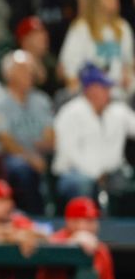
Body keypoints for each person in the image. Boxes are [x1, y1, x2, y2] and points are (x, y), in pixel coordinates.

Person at [52, 63, 135, 202]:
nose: (109, 92)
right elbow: (70, 152)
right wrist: (96, 173)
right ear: (91, 90)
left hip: (110, 173)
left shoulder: (118, 111)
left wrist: (103, 174)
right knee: (82, 183)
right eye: (104, 88)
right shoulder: (70, 113)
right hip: (74, 173)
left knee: (124, 182)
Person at [0, 50, 54, 214]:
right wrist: (29, 157)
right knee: (21, 169)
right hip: (11, 157)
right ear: (9, 74)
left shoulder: (41, 100)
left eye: (31, 70)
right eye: (23, 70)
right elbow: (5, 141)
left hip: (41, 156)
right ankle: (32, 215)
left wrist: (44, 145)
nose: (29, 74)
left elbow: (50, 135)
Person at [59, 0, 134, 97]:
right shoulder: (81, 28)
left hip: (119, 93)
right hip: (89, 93)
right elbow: (69, 65)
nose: (114, 0)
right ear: (96, 0)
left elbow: (128, 63)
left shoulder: (123, 27)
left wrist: (128, 75)